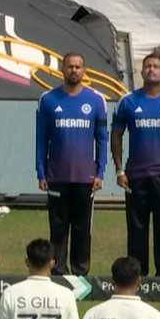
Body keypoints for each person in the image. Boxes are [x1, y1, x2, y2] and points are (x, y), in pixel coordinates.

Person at [111, 53, 160, 277]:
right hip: (136, 176)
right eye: (147, 66)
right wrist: (119, 170)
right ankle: (137, 276)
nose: (151, 69)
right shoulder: (128, 101)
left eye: (156, 66)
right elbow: (116, 135)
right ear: (142, 72)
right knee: (137, 231)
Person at [35, 51, 107, 275]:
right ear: (62, 70)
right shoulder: (48, 99)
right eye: (70, 67)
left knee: (82, 228)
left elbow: (102, 139)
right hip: (56, 176)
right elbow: (40, 139)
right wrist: (41, 172)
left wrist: (100, 172)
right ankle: (57, 272)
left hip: (85, 177)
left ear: (84, 71)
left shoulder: (96, 100)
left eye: (78, 67)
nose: (74, 70)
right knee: (58, 228)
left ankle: (80, 273)